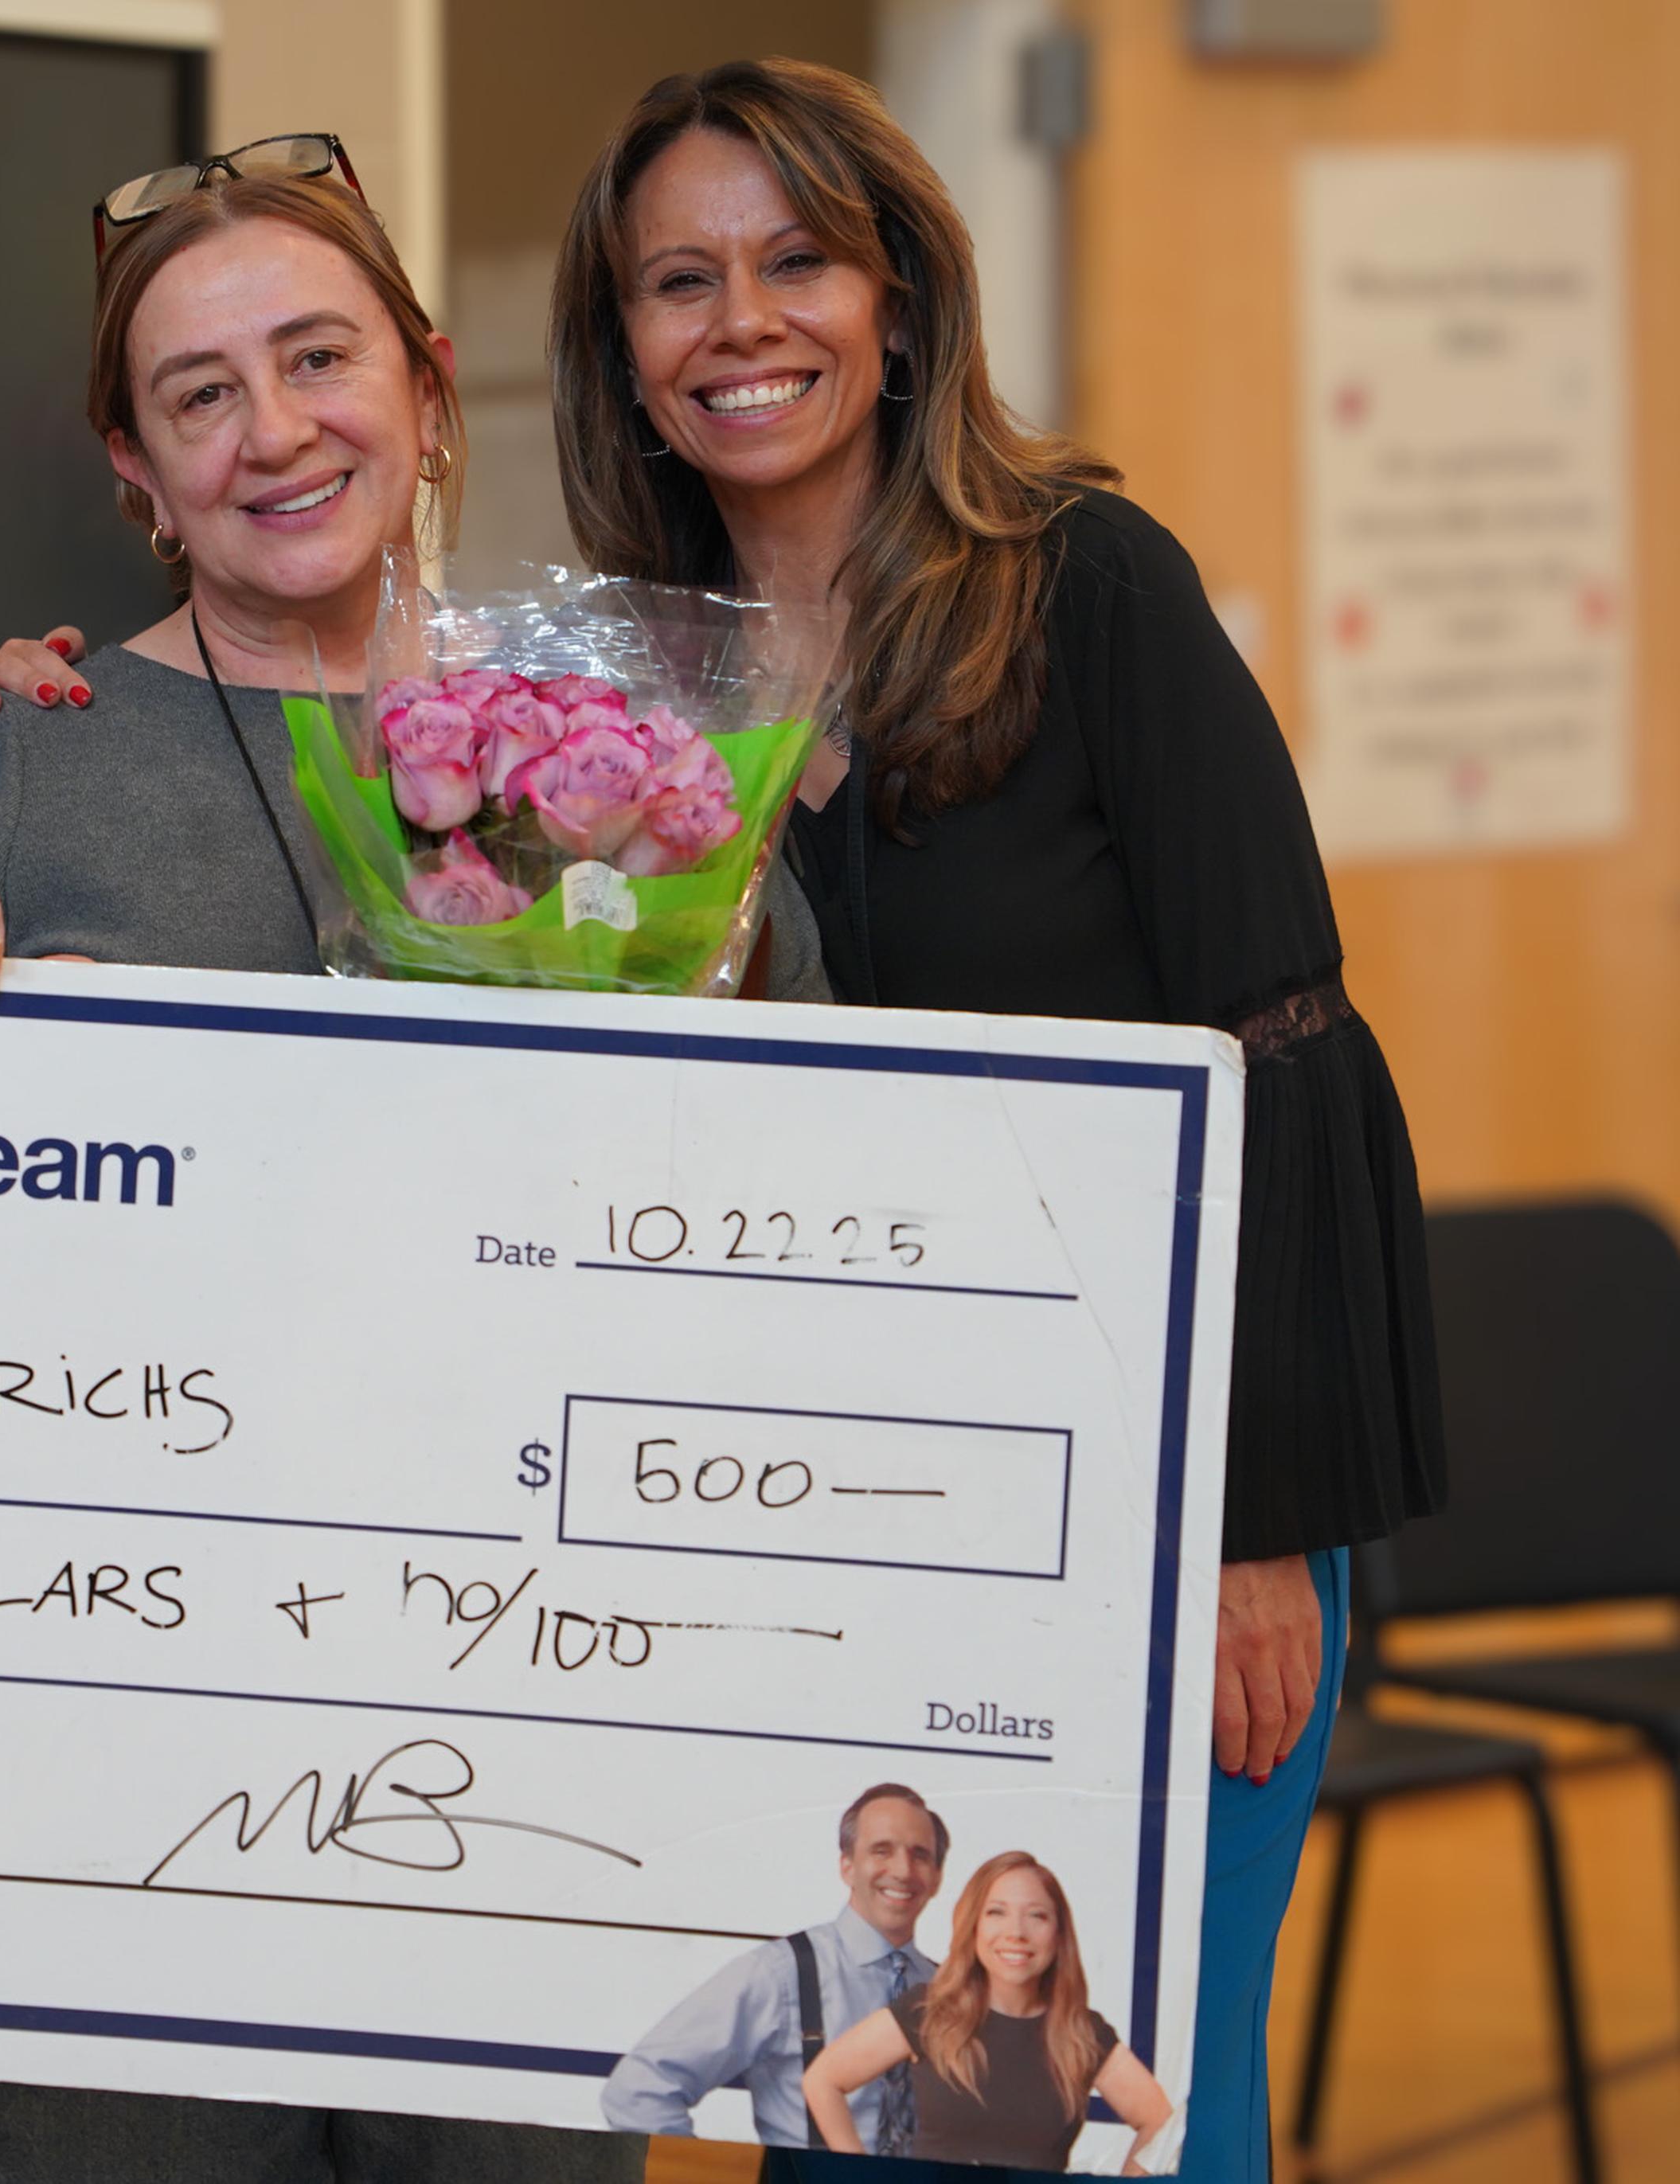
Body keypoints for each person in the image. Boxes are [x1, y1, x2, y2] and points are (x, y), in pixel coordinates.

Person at [0, 141, 822, 2183]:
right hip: (100, 1784)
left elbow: (801, 1173)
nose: (274, 431)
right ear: (133, 460)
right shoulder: (9, 760)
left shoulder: (625, 760)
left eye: (317, 357)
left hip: (529, 1744)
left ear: (427, 381)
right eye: (199, 394)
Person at [539, 56, 1444, 2184]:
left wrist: (1247, 1529)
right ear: (623, 350)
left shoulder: (1087, 585)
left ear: (901, 301)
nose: (741, 321)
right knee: (856, 2108)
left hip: (1151, 1510)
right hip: (827, 1519)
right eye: (680, 280)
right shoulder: (625, 691)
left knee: (1102, 2118)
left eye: (796, 262)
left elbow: (1286, 1045)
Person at [601, 1784, 947, 2152]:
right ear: (847, 1866)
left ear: (937, 1878)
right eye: (882, 1850)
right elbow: (636, 2093)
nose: (903, 1870)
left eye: (920, 1855)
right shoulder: (782, 1974)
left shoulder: (950, 1989)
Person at [804, 1854, 1172, 2172]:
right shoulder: (929, 2012)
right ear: (974, 1926)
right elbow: (823, 2079)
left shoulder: (1082, 2033)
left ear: (1059, 1934)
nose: (1016, 1932)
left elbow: (1160, 2121)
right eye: (997, 1912)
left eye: (1037, 1916)